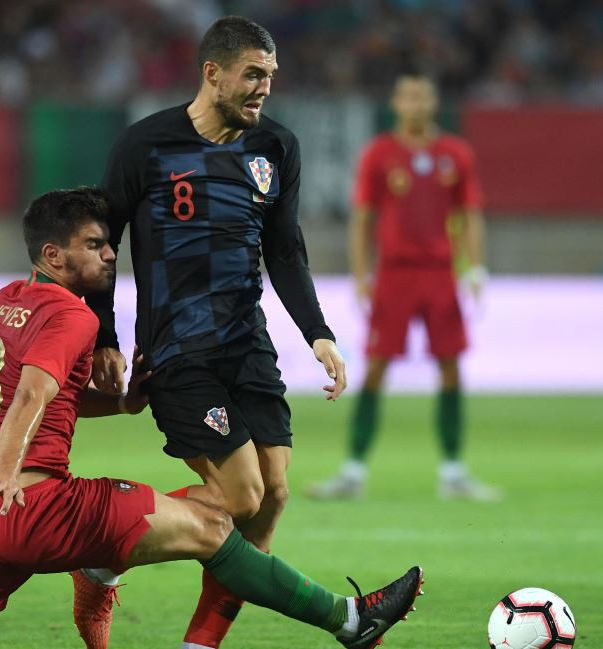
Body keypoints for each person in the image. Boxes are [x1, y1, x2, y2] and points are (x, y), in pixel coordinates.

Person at [0, 187, 423, 649]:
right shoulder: (71, 314)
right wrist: (15, 472)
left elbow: (38, 390)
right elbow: (32, 396)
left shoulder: (6, 301)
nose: (108, 255)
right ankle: (349, 619)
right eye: (96, 245)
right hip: (32, 503)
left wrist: (122, 403)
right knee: (218, 524)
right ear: (53, 255)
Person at [84, 16, 347, 649]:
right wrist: (105, 338)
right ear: (212, 72)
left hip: (247, 344)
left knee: (274, 495)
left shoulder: (276, 149)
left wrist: (319, 332)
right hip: (178, 350)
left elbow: (285, 250)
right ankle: (98, 555)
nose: (264, 88)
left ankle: (199, 644)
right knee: (241, 493)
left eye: (270, 77)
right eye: (253, 74)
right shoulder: (145, 145)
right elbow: (100, 245)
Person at [308, 72, 499, 501]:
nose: (416, 103)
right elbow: (363, 218)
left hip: (440, 273)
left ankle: (453, 472)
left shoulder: (456, 153)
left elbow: (470, 214)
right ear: (396, 102)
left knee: (450, 367)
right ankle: (353, 472)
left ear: (433, 102)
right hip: (394, 274)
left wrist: (476, 268)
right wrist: (361, 275)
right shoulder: (380, 154)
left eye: (423, 95)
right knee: (376, 367)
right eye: (408, 96)